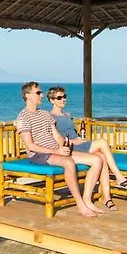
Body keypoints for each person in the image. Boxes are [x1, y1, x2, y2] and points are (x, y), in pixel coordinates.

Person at [15, 81, 105, 217]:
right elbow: (30, 145)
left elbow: (57, 135)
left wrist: (65, 147)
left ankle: (87, 199)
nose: (41, 95)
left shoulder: (44, 114)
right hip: (40, 154)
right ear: (28, 96)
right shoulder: (23, 117)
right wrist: (57, 151)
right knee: (68, 162)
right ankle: (80, 204)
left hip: (56, 150)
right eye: (38, 93)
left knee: (97, 160)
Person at [46, 86, 127, 210]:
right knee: (102, 142)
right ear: (52, 100)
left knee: (102, 156)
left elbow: (71, 132)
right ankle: (118, 176)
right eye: (59, 97)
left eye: (64, 96)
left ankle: (107, 198)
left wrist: (79, 138)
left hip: (79, 144)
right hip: (71, 147)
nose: (63, 99)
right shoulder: (50, 117)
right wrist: (74, 141)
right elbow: (55, 138)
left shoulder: (67, 115)